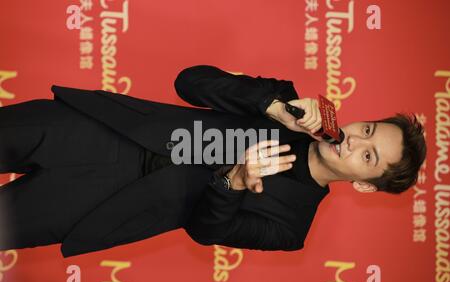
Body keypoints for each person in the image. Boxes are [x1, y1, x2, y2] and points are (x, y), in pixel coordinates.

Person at [0, 65, 426, 257]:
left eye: (367, 156)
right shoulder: (285, 102)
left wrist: (235, 182)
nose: (352, 141)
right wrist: (272, 106)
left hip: (99, 205)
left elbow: (207, 231)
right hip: (91, 128)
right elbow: (189, 81)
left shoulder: (290, 227)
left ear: (366, 184)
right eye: (366, 130)